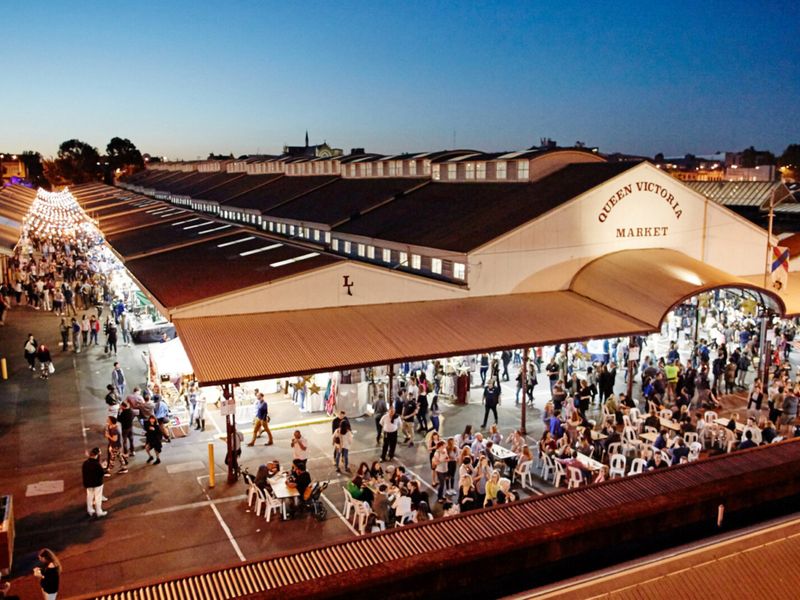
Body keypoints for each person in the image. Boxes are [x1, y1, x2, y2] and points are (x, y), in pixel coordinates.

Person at [82, 447, 107, 517]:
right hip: (97, 483)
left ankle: (90, 510)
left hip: (88, 484)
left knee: (89, 497)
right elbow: (101, 473)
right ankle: (99, 511)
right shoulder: (97, 465)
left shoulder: (85, 463)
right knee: (98, 497)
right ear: (97, 455)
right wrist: (103, 467)